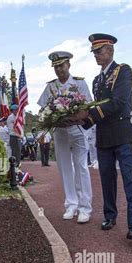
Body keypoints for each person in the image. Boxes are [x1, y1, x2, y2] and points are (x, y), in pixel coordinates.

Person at [70, 33, 132, 241]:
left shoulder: (124, 71)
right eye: (93, 52)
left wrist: (88, 115)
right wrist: (78, 120)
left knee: (130, 180)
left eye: (99, 51)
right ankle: (110, 216)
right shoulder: (96, 81)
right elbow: (95, 110)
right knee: (107, 180)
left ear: (110, 51)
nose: (96, 56)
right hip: (104, 137)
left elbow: (118, 101)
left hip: (123, 133)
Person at [37, 50, 93, 224]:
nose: (59, 70)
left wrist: (74, 118)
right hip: (60, 132)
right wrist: (56, 121)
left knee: (81, 167)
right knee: (64, 168)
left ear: (69, 64)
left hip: (77, 130)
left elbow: (87, 107)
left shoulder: (80, 83)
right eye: (56, 67)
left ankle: (85, 207)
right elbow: (43, 111)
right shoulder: (50, 87)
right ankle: (71, 204)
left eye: (62, 65)